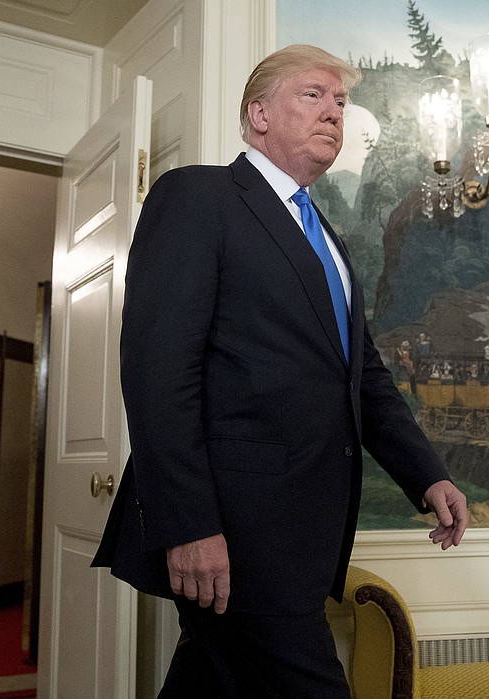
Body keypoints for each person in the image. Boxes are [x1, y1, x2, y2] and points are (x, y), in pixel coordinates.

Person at [92, 44, 468, 698]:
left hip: (302, 533)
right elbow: (157, 370)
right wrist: (186, 523)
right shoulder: (196, 196)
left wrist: (426, 471)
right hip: (234, 530)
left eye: (342, 102)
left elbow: (363, 376)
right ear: (258, 114)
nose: (334, 112)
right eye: (313, 95)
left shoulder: (328, 237)